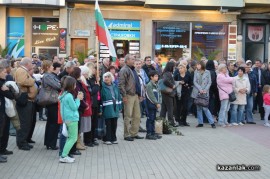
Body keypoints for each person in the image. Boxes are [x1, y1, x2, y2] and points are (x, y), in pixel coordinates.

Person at [119, 54, 144, 141]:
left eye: (134, 59)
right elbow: (121, 84)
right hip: (128, 95)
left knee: (137, 115)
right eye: (132, 59)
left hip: (135, 95)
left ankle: (134, 133)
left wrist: (139, 94)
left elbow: (137, 83)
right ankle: (126, 134)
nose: (134, 60)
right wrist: (124, 95)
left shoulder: (132, 69)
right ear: (127, 61)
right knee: (128, 115)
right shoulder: (124, 70)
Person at [15, 57, 38, 150]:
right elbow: (22, 81)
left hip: (29, 100)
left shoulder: (24, 71)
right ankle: (21, 143)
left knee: (28, 122)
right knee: (24, 122)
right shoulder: (21, 71)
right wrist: (33, 80)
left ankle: (25, 140)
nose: (32, 64)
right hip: (25, 100)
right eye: (31, 63)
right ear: (27, 64)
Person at [59, 76, 83, 163]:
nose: (75, 85)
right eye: (75, 84)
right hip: (72, 119)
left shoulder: (64, 94)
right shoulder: (69, 95)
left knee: (70, 138)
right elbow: (75, 107)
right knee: (73, 138)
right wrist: (78, 99)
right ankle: (64, 155)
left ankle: (64, 154)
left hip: (67, 119)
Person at [42, 61, 61, 150]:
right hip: (52, 101)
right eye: (51, 66)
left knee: (52, 122)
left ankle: (49, 142)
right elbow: (57, 85)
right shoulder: (47, 76)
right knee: (53, 123)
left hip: (53, 100)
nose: (52, 67)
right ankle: (51, 143)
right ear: (48, 67)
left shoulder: (50, 76)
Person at [191, 61, 216, 128]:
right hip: (198, 91)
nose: (197, 66)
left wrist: (205, 90)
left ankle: (212, 122)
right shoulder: (196, 72)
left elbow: (209, 82)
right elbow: (194, 81)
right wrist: (200, 89)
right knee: (198, 108)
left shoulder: (207, 72)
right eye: (197, 65)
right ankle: (200, 122)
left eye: (199, 64)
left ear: (202, 65)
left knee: (205, 108)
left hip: (205, 92)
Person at [101, 72, 122, 145]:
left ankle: (113, 138)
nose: (106, 78)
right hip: (107, 108)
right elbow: (101, 99)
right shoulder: (102, 87)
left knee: (114, 123)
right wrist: (100, 109)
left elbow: (118, 97)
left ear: (111, 78)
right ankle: (107, 139)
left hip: (115, 107)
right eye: (105, 77)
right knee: (108, 124)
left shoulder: (115, 86)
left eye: (108, 77)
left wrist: (120, 106)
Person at [0, 66, 15, 162]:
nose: (6, 74)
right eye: (4, 72)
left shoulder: (3, 83)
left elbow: (11, 95)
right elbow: (10, 95)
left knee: (4, 131)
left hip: (4, 110)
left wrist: (7, 89)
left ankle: (2, 150)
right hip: (1, 111)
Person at [84, 62, 100, 147]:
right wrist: (97, 86)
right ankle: (88, 140)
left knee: (94, 122)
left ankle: (93, 137)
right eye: (94, 68)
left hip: (96, 103)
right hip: (91, 103)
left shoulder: (94, 78)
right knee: (90, 122)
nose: (95, 70)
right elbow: (91, 92)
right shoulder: (88, 80)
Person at [145, 71, 162, 140]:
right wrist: (156, 103)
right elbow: (150, 96)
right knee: (150, 119)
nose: (157, 77)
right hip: (151, 105)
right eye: (155, 76)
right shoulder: (149, 85)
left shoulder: (156, 84)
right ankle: (149, 133)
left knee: (154, 119)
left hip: (155, 105)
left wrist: (159, 102)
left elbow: (159, 94)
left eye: (157, 76)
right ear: (151, 77)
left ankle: (153, 132)